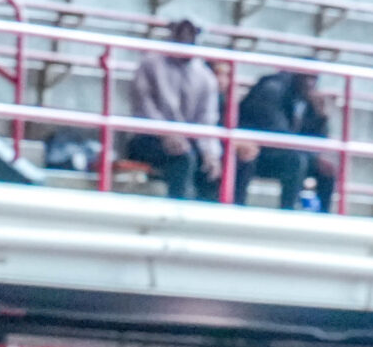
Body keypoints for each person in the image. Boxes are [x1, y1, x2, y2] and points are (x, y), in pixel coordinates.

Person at [123, 19, 222, 200]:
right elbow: (143, 106)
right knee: (183, 158)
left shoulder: (205, 76)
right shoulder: (150, 64)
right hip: (148, 137)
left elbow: (207, 119)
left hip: (188, 140)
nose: (186, 38)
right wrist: (166, 133)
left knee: (211, 167)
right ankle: (178, 212)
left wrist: (210, 152)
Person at [233, 67, 330, 210]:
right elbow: (277, 132)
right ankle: (288, 211)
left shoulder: (308, 98)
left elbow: (318, 139)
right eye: (307, 77)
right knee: (296, 161)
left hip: (288, 151)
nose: (310, 83)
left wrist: (321, 117)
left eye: (314, 78)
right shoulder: (273, 89)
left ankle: (324, 219)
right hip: (260, 151)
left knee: (327, 169)